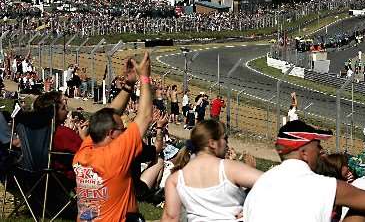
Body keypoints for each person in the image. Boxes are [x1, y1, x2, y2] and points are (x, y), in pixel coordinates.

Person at [243, 120, 365, 222]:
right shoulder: (324, 185)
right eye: (317, 146)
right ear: (303, 153)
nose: (321, 151)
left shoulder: (261, 183)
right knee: (364, 211)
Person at [73, 52, 154, 222]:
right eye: (122, 129)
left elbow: (108, 114)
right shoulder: (115, 155)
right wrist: (145, 78)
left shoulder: (83, 154)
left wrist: (128, 86)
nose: (125, 131)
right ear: (110, 133)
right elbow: (145, 116)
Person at [161, 120, 262, 222]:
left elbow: (170, 218)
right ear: (212, 143)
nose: (227, 143)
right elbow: (271, 182)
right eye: (225, 138)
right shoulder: (228, 168)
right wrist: (249, 210)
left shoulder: (175, 179)